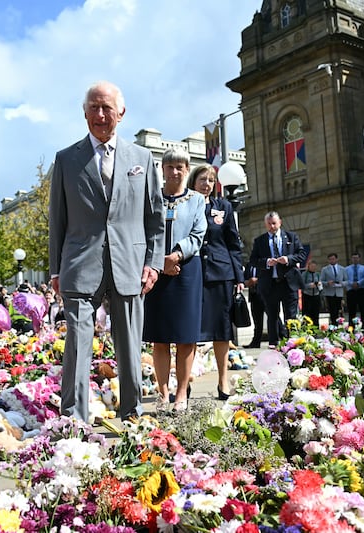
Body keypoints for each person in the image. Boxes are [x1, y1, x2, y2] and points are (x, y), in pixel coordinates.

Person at [48, 81, 164, 423]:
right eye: (94, 108)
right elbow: (58, 219)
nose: (100, 115)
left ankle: (133, 416)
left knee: (129, 346)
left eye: (107, 108)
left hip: (129, 264)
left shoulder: (142, 159)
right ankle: (74, 421)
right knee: (78, 346)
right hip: (80, 266)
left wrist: (153, 263)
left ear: (121, 113)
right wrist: (56, 270)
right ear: (84, 113)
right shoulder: (67, 159)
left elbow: (154, 217)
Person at [143, 148, 206, 412]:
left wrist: (177, 255)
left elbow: (199, 233)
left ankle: (181, 393)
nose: (175, 172)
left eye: (180, 167)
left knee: (185, 337)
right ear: (162, 169)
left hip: (186, 271)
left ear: (187, 169)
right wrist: (160, 261)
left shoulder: (197, 200)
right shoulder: (152, 198)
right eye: (170, 167)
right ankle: (162, 392)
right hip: (156, 272)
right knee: (160, 337)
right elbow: (145, 231)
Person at [188, 163, 244, 400]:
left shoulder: (224, 207)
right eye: (203, 179)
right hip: (193, 273)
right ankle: (185, 381)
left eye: (211, 180)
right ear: (193, 182)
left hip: (221, 273)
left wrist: (239, 276)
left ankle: (222, 382)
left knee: (222, 331)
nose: (207, 184)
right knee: (189, 330)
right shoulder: (184, 205)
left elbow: (233, 243)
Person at [249, 211, 307, 347]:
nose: (272, 227)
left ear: (280, 222)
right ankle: (273, 344)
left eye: (274, 223)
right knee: (272, 315)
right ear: (265, 225)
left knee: (291, 316)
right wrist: (266, 262)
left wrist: (288, 259)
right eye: (269, 224)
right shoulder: (260, 241)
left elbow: (301, 253)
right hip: (270, 284)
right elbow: (253, 260)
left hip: (288, 283)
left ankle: (293, 343)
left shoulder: (291, 237)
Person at [320, 252, 347, 326]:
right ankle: (333, 325)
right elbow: (321, 281)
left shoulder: (342, 269)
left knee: (339, 309)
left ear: (336, 259)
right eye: (330, 259)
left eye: (333, 259)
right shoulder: (325, 269)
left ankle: (340, 323)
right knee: (332, 310)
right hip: (329, 292)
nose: (332, 260)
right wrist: (327, 283)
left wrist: (342, 283)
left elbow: (347, 281)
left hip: (339, 292)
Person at [244, 263, 265, 348]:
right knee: (257, 320)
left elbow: (268, 277)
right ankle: (256, 342)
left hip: (265, 294)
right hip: (254, 295)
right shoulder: (249, 265)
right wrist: (247, 282)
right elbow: (244, 278)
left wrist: (257, 280)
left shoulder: (264, 263)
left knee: (274, 318)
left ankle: (282, 336)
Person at [345, 252, 364, 328]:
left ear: (359, 258)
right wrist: (352, 283)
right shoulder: (347, 269)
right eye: (353, 258)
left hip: (361, 289)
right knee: (352, 310)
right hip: (351, 290)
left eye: (356, 258)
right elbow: (345, 279)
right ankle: (351, 326)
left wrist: (358, 283)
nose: (355, 259)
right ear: (351, 259)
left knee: (363, 309)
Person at [301, 260, 322, 326]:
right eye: (312, 266)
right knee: (307, 313)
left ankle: (316, 328)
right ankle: (307, 328)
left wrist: (319, 285)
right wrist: (309, 285)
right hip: (307, 295)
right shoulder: (304, 274)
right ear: (308, 266)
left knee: (316, 313)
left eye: (314, 266)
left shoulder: (318, 274)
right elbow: (302, 285)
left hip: (316, 295)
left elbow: (321, 285)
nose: (313, 268)